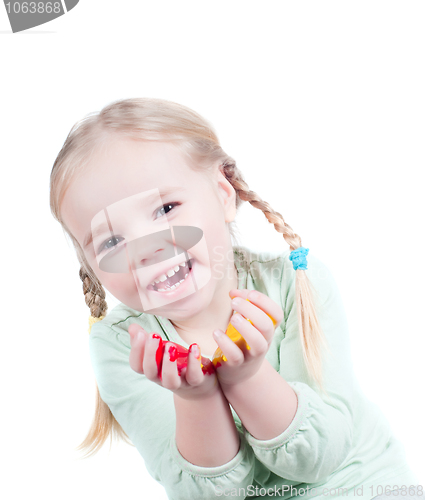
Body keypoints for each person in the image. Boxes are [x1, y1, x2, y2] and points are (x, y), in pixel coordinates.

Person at [50, 98, 420, 499]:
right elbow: (211, 494)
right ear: (89, 263)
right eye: (113, 241)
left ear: (225, 193)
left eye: (166, 208)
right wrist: (196, 398)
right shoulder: (121, 344)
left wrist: (247, 377)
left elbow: (319, 458)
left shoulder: (297, 282)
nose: (146, 248)